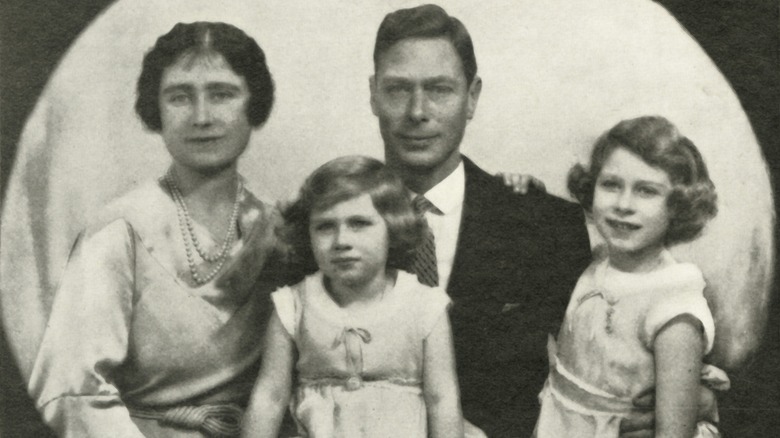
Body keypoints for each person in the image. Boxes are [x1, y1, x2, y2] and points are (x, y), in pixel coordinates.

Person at [27, 22, 289, 437]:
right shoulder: (116, 232)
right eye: (180, 97)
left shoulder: (281, 231)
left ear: (253, 105)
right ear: (156, 110)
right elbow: (70, 389)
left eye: (222, 94)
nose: (202, 117)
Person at [368, 4, 593, 436]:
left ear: (472, 97)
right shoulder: (326, 222)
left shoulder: (547, 225)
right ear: (373, 93)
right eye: (398, 89)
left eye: (439, 89)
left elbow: (596, 369)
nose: (418, 111)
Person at [242, 155, 475, 438]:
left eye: (359, 224)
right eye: (325, 226)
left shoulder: (424, 306)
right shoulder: (293, 305)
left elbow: (442, 401)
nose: (342, 241)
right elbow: (270, 397)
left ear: (393, 226)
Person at [534, 116, 729, 437]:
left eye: (646, 191)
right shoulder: (598, 266)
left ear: (677, 206)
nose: (623, 205)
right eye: (610, 184)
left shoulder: (673, 306)